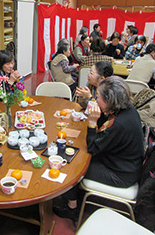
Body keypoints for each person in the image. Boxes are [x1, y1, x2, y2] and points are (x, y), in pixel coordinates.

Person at [54, 76, 144, 222]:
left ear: (109, 101)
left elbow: (93, 147)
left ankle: (72, 208)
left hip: (121, 174)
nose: (95, 100)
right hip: (123, 162)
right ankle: (75, 196)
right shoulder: (127, 110)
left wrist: (91, 122)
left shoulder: (119, 124)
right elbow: (104, 129)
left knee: (73, 166)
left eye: (98, 97)